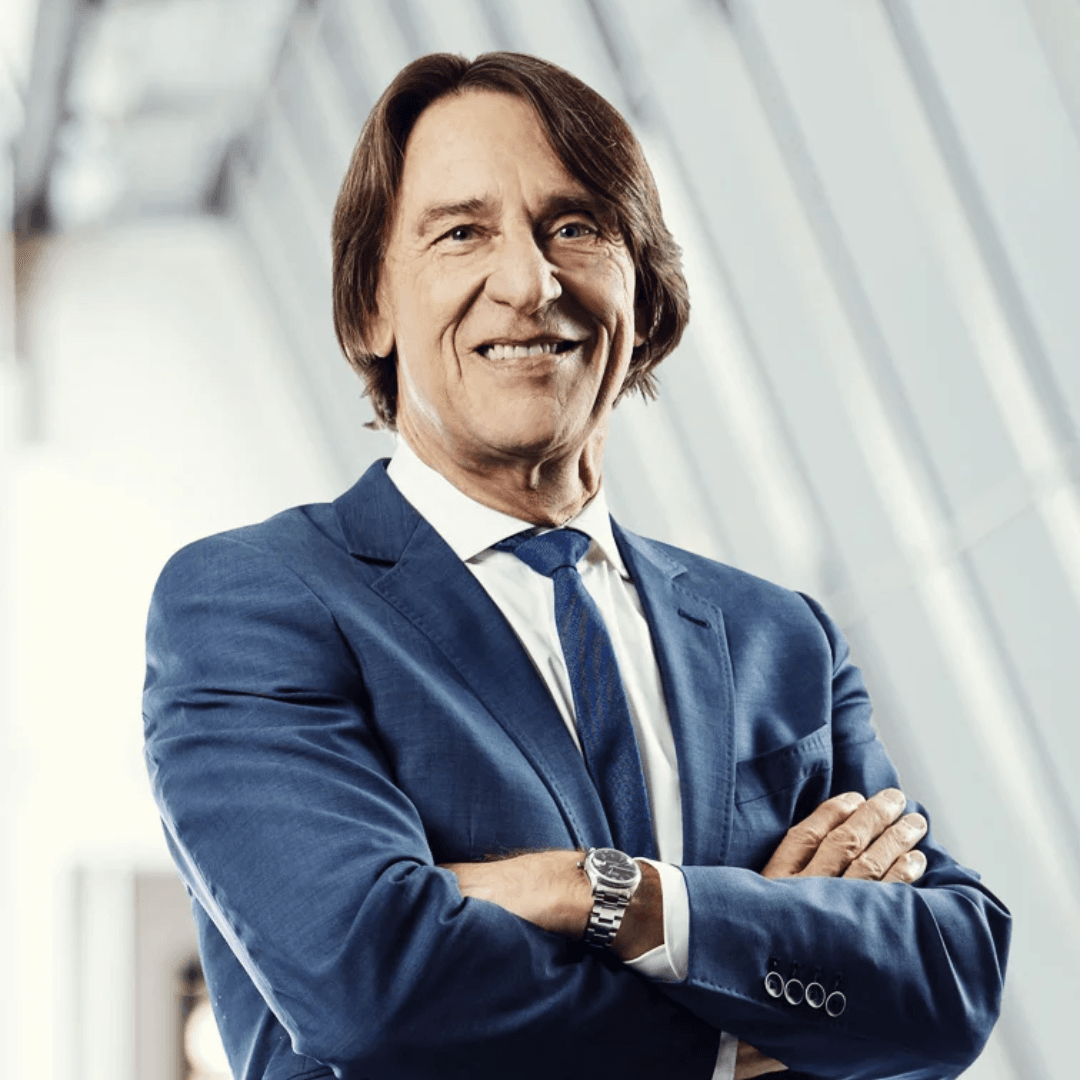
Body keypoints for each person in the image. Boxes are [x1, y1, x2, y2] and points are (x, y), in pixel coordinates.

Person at [143, 52, 1009, 1080]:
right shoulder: (255, 605)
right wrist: (739, 1016)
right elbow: (375, 985)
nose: (529, 283)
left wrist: (600, 894)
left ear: (643, 294)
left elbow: (951, 982)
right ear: (371, 304)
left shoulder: (781, 641)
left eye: (574, 227)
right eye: (461, 233)